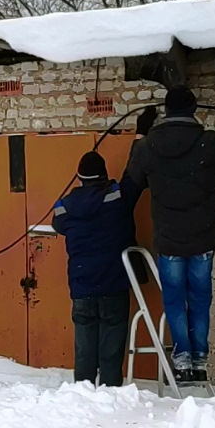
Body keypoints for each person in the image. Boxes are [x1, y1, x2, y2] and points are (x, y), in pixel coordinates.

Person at [123, 86, 215, 385]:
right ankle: (200, 363)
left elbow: (132, 181)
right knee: (201, 299)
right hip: (203, 238)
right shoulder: (209, 143)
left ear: (165, 111)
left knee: (175, 301)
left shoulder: (150, 146)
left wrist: (141, 135)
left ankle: (181, 361)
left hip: (169, 240)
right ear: (193, 109)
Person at [51, 150, 137, 386]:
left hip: (82, 287)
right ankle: (110, 393)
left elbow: (57, 223)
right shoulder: (117, 198)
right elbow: (133, 179)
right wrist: (139, 138)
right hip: (114, 284)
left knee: (84, 349)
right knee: (111, 349)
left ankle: (84, 391)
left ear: (79, 178)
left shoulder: (66, 207)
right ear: (104, 175)